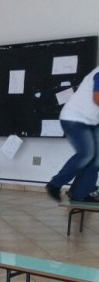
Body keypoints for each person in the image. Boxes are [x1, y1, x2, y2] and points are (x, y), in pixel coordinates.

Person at [45, 65, 99, 203]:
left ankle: (81, 194)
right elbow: (97, 98)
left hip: (91, 120)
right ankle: (54, 184)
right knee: (86, 154)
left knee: (95, 158)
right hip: (74, 118)